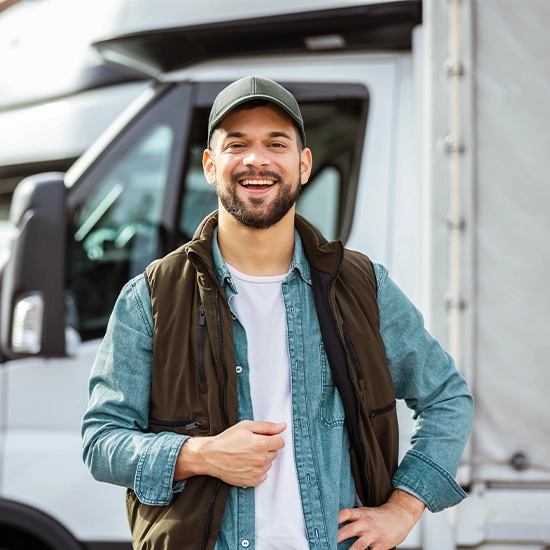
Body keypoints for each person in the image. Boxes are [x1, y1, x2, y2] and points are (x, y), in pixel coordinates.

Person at [82, 75, 474, 550]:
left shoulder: (362, 286)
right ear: (210, 164)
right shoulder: (150, 297)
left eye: (276, 143)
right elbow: (102, 440)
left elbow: (447, 398)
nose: (256, 160)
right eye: (237, 144)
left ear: (303, 164)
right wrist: (201, 454)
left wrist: (403, 508)